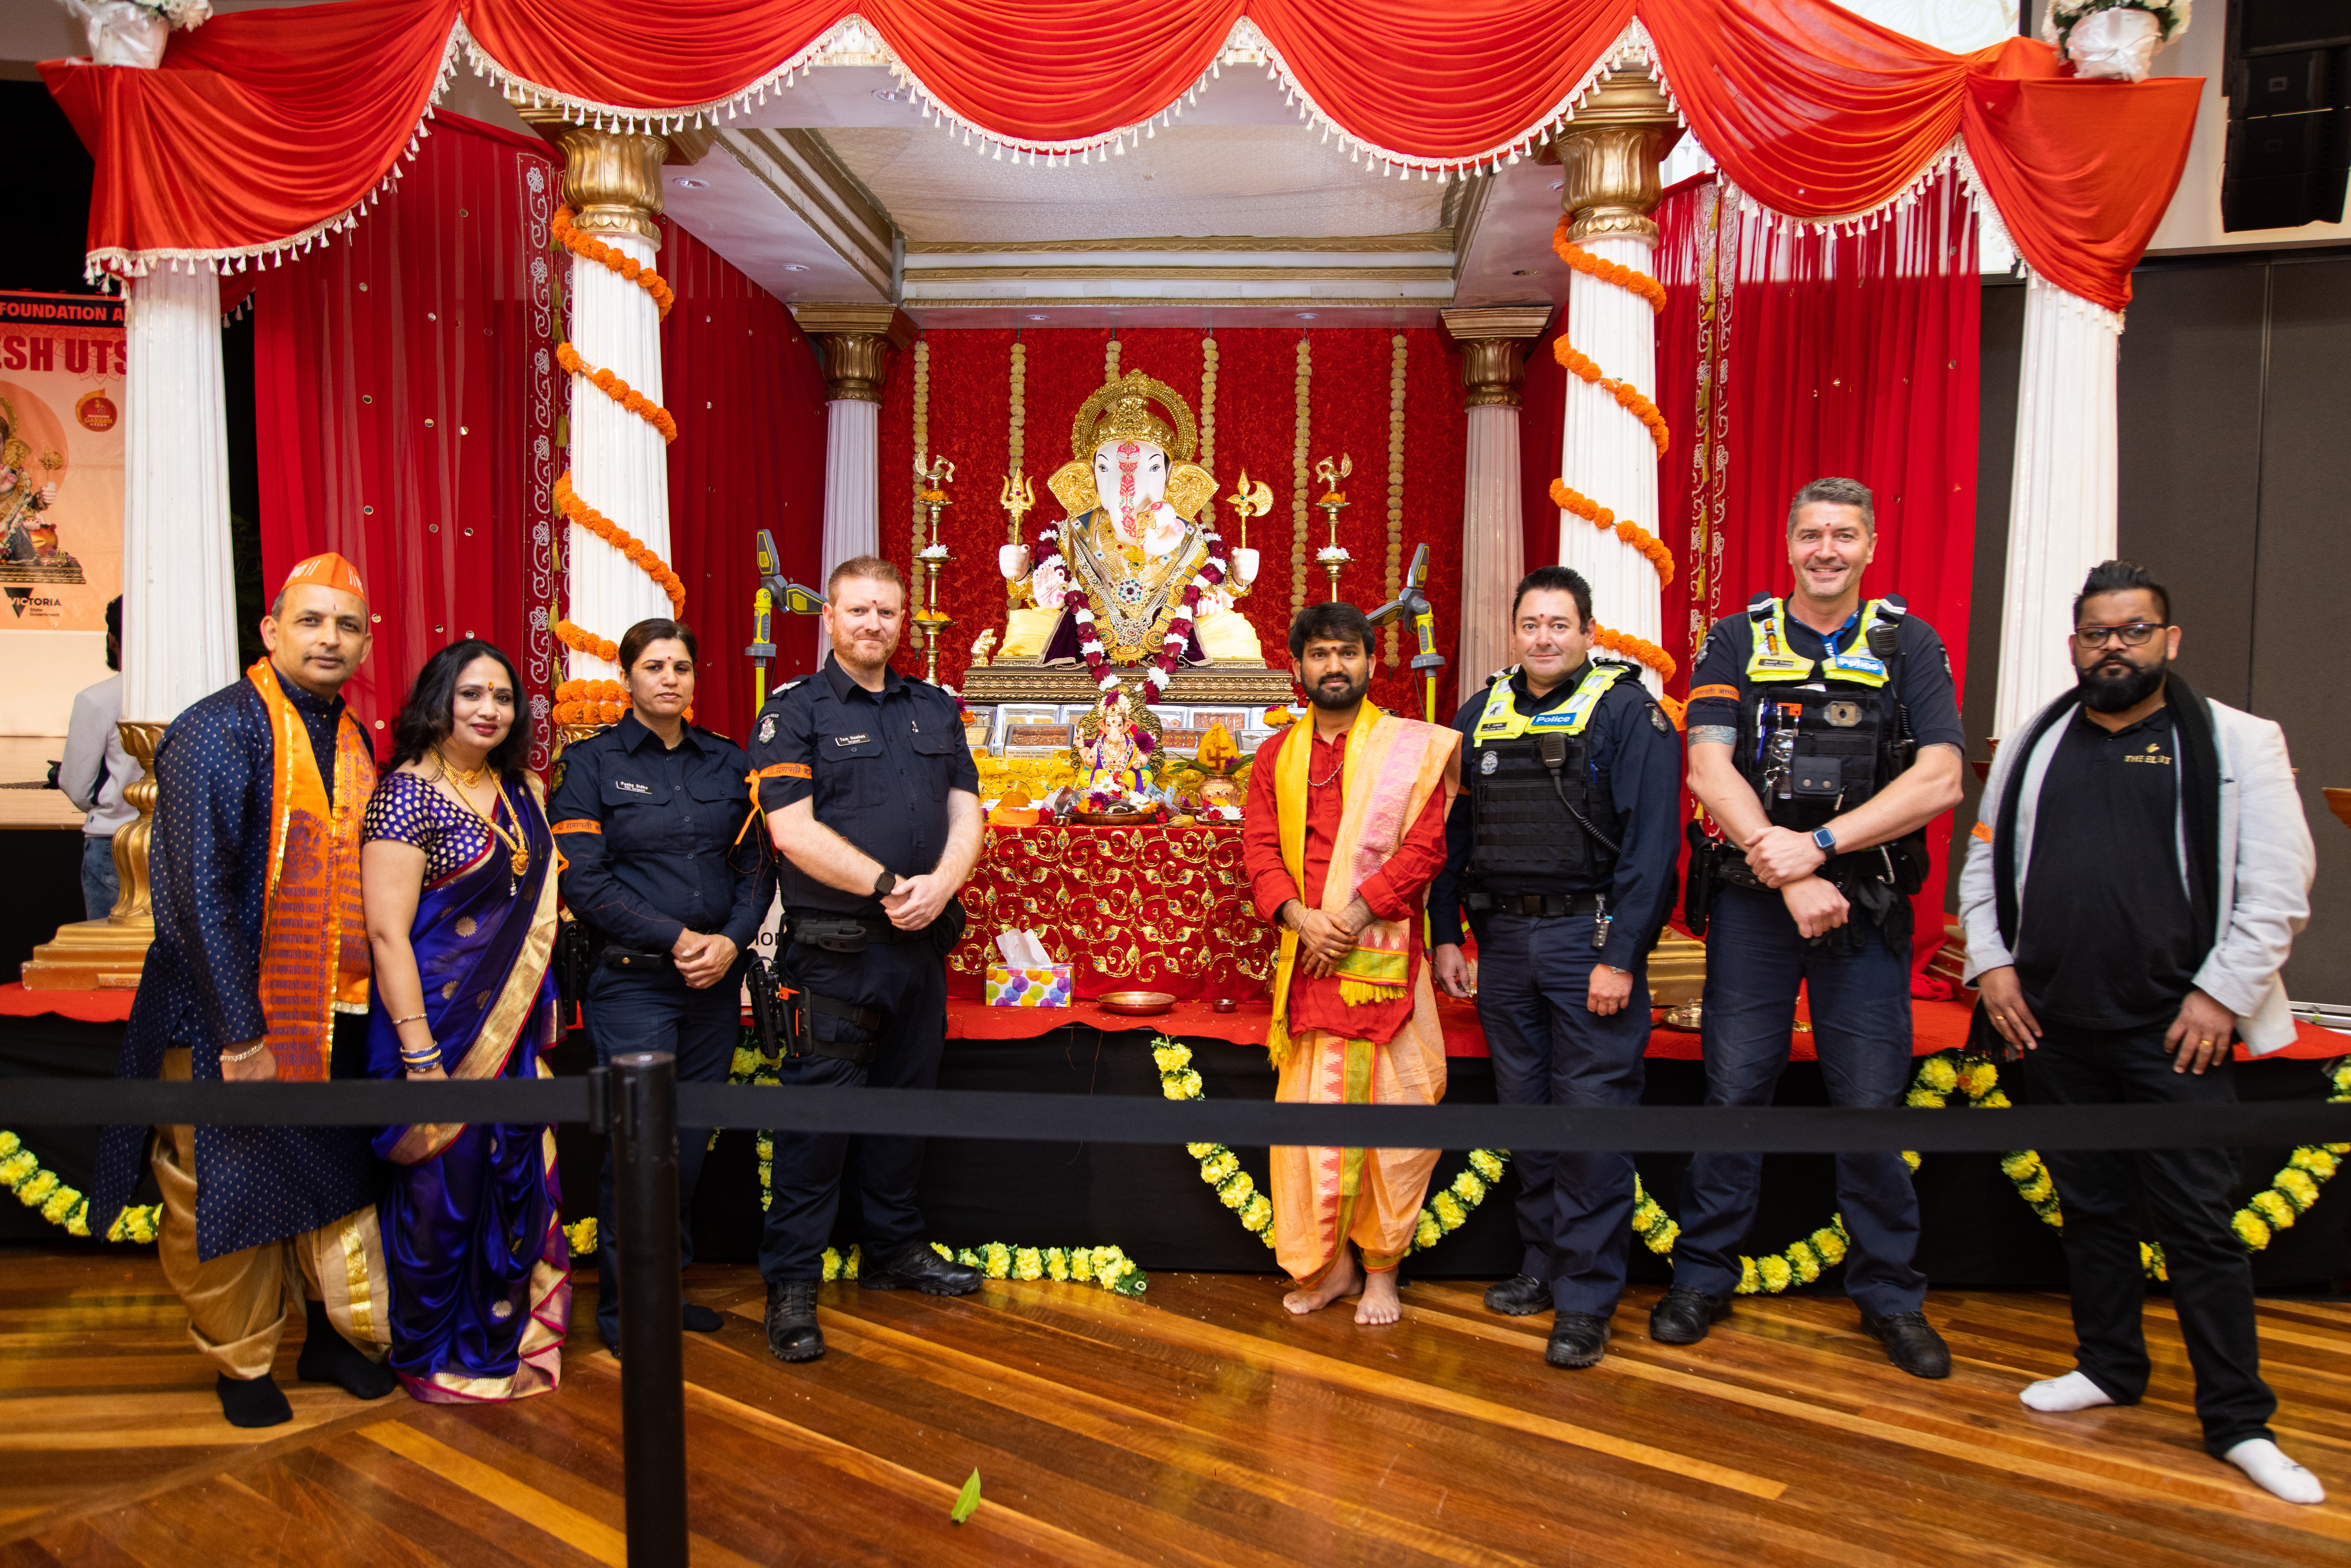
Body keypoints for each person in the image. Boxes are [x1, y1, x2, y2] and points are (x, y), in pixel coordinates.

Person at [1960, 560, 2322, 1505]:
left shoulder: (2239, 742)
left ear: (2168, 641)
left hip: (2176, 1034)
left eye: (2130, 630)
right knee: (2089, 1210)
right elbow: (1980, 866)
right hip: (2051, 1028)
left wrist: (2216, 996)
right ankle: (2108, 1365)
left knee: (2199, 1225)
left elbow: (2278, 888)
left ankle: (2237, 1418)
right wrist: (1991, 965)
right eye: (2093, 632)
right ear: (2072, 643)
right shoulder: (2030, 744)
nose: (2110, 646)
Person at [1657, 477, 1965, 1377]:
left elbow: (1940, 779)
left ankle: (1890, 1296)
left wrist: (1820, 846)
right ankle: (1702, 1275)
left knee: (1870, 1103)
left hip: (1864, 905)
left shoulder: (1909, 643)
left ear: (1870, 546)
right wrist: (1785, 868)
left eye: (1843, 535)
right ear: (1787, 544)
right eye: (1810, 534)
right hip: (1758, 905)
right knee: (1734, 1092)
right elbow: (1709, 768)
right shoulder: (1734, 638)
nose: (1825, 549)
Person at [84, 553, 396, 1428]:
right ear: (270, 631)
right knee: (221, 1188)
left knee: (331, 1173)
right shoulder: (218, 729)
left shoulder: (351, 736)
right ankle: (242, 1359)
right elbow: (193, 897)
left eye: (348, 625)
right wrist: (241, 1029)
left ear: (366, 640)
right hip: (219, 1014)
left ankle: (333, 1339)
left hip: (330, 1007)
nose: (330, 639)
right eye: (312, 621)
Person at [1426, 566, 1682, 1368]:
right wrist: (1444, 933)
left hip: (1587, 946)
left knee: (1588, 1127)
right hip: (1501, 946)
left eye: (1558, 624)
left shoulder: (1627, 713)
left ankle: (1584, 1297)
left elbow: (1650, 850)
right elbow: (1448, 836)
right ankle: (1540, 1264)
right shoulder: (1480, 713)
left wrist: (1621, 956)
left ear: (1588, 631)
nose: (1542, 637)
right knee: (1528, 1121)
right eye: (1530, 623)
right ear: (1513, 631)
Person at [748, 556, 985, 1363]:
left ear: (901, 618)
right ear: (830, 619)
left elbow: (966, 807)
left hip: (918, 943)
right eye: (857, 610)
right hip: (835, 950)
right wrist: (889, 884)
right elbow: (792, 830)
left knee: (903, 1108)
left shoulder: (932, 707)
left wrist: (937, 886)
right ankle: (790, 1283)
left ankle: (893, 1248)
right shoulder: (795, 713)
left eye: (886, 611)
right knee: (816, 1122)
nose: (873, 623)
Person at [549, 618, 773, 1356]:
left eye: (681, 665)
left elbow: (755, 869)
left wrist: (731, 941)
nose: (669, 678)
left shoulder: (725, 762)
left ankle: (664, 1292)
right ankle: (625, 1311)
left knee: (684, 1143)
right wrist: (677, 938)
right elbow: (584, 879)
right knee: (638, 1144)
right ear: (628, 678)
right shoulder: (590, 765)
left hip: (714, 982)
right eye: (654, 666)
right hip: (633, 982)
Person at [1242, 601, 1460, 1327]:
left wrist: (1355, 915)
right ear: (1298, 666)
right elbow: (1260, 850)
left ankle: (1381, 1272)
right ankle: (1329, 1266)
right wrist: (1303, 919)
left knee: (1395, 1127)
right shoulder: (1276, 754)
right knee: (1311, 1132)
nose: (1333, 666)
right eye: (1319, 654)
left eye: (1346, 653)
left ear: (1370, 661)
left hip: (1388, 962)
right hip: (1309, 962)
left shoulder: (1409, 747)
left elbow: (1424, 848)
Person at [361, 639, 569, 1401]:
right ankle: (425, 1350)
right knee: (438, 1196)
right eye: (473, 693)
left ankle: (498, 1341)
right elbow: (388, 934)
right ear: (439, 699)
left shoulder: (524, 789)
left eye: (503, 697)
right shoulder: (406, 795)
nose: (489, 709)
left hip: (507, 1035)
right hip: (432, 1031)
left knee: (512, 1182)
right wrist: (419, 1051)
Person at [59, 594, 134, 920]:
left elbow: (78, 788)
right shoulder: (203, 699)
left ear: (113, 639)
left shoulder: (96, 699)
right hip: (179, 846)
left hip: (112, 842)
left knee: (108, 957)